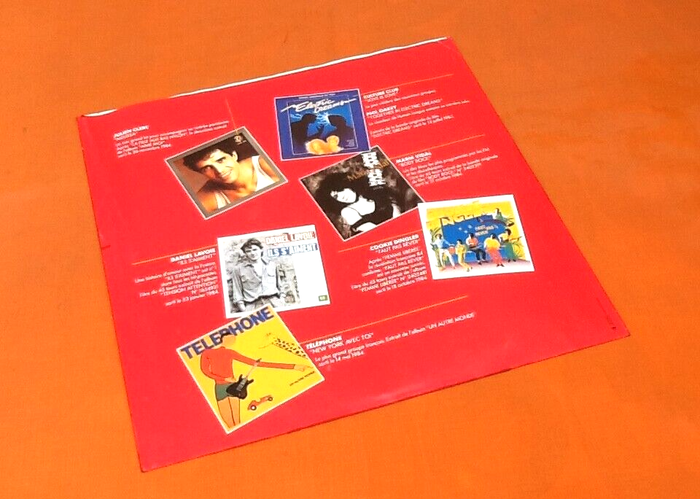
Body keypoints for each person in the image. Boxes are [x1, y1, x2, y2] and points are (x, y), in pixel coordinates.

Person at [200, 332, 308, 429]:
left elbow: (256, 363)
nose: (233, 341)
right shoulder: (207, 353)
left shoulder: (231, 353)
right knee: (229, 424)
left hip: (233, 387)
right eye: (231, 338)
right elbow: (205, 371)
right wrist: (224, 378)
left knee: (237, 423)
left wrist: (294, 367)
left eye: (234, 339)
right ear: (224, 339)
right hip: (221, 387)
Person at [182, 141, 280, 213]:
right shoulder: (206, 198)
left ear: (234, 155)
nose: (219, 171)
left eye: (220, 160)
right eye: (207, 168)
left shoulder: (266, 165)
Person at [314, 172, 400, 236]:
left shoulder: (374, 193)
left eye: (341, 190)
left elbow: (396, 211)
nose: (341, 196)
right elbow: (378, 233)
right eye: (336, 197)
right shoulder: (347, 211)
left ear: (348, 184)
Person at [231, 239, 283, 312]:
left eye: (255, 249)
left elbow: (280, 286)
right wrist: (245, 310)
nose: (252, 253)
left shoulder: (271, 265)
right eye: (248, 251)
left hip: (274, 303)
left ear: (261, 250)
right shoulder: (238, 269)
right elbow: (237, 293)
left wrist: (281, 301)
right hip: (253, 305)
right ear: (245, 253)